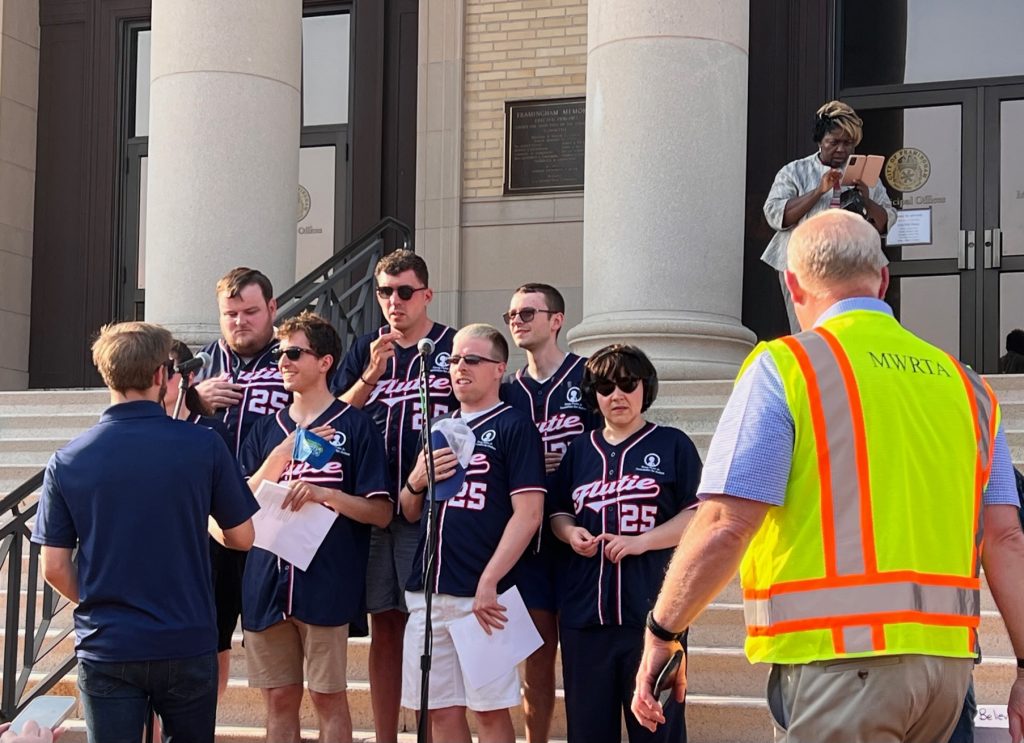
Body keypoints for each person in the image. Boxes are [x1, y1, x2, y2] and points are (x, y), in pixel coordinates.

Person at [631, 210, 1024, 743]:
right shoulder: (968, 386)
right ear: (883, 279)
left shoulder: (787, 367)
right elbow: (1006, 538)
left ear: (793, 285)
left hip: (838, 665)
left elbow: (725, 524)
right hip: (948, 673)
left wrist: (663, 631)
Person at [31, 322, 257, 743]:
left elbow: (55, 566)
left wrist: (107, 600)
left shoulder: (68, 459)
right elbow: (242, 537)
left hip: (110, 640)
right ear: (160, 376)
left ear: (106, 374)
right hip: (185, 636)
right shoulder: (203, 446)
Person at [240, 311, 392, 743]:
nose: (282, 362)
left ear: (325, 362)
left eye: (293, 353)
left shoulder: (355, 425)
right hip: (265, 583)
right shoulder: (265, 430)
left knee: (329, 698)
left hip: (326, 582)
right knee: (278, 702)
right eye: (278, 354)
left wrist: (327, 495)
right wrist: (280, 457)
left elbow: (381, 513)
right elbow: (238, 510)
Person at [331, 249, 457, 743]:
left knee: (427, 623)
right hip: (375, 505)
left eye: (404, 291)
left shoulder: (451, 346)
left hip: (435, 508)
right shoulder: (365, 348)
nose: (394, 301)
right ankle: (386, 736)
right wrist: (369, 376)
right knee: (385, 625)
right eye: (384, 292)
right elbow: (331, 420)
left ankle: (429, 732)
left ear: (426, 294)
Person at [400, 323, 546, 743]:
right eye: (454, 360)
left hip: (482, 597)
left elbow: (529, 513)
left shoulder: (514, 426)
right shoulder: (438, 428)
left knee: (489, 712)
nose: (459, 367)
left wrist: (490, 580)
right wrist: (415, 478)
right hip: (428, 592)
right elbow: (409, 511)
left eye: (472, 359)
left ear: (499, 368)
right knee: (440, 712)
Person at [549, 344, 701, 743]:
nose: (616, 395)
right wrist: (570, 533)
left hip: (654, 617)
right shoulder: (579, 451)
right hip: (586, 617)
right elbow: (557, 512)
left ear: (644, 388)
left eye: (627, 384)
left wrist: (642, 541)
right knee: (588, 733)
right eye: (604, 386)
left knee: (657, 730)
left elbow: (698, 515)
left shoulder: (673, 445)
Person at [499, 282, 601, 743]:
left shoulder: (589, 378)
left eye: (528, 313)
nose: (517, 321)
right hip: (530, 544)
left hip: (585, 533)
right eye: (512, 315)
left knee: (586, 660)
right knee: (536, 657)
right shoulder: (506, 391)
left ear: (556, 320)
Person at [192, 266, 291, 697]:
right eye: (230, 314)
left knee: (274, 636)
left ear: (272, 308)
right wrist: (193, 399)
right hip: (210, 521)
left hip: (274, 518)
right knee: (210, 634)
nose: (240, 322)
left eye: (250, 311)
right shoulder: (196, 365)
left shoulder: (293, 355)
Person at [762, 100, 897, 333]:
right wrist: (818, 191)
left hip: (853, 262)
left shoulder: (864, 172)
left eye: (848, 143)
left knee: (853, 330)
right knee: (808, 330)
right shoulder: (794, 171)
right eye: (833, 142)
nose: (841, 149)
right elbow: (776, 215)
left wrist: (865, 197)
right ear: (819, 140)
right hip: (804, 262)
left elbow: (887, 221)